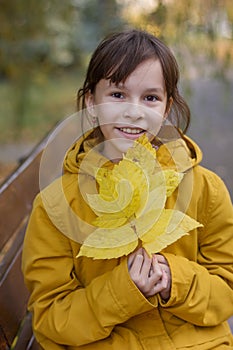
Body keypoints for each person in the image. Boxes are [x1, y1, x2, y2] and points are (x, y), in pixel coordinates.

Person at [22, 29, 233, 349]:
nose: (134, 111)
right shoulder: (57, 207)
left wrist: (174, 281)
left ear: (166, 108)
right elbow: (52, 319)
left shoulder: (205, 189)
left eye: (150, 97)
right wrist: (123, 290)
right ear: (91, 103)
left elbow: (226, 287)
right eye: (118, 95)